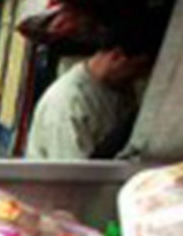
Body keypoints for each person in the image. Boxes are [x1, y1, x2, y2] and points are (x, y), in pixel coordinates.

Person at [25, 41, 155, 159]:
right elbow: (71, 173)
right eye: (137, 68)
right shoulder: (67, 101)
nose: (138, 77)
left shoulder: (120, 90)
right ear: (117, 57)